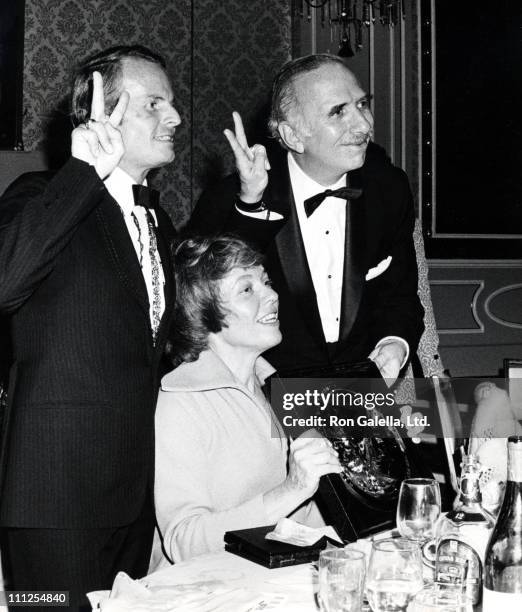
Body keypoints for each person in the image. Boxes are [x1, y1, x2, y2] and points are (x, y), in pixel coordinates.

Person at [0, 45, 180, 610]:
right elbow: (5, 281)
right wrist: (83, 173)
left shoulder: (158, 219)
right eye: (154, 103)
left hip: (131, 498)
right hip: (53, 500)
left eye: (171, 104)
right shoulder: (38, 196)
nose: (174, 117)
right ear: (100, 112)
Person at [189, 54, 424, 385]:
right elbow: (200, 307)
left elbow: (399, 294)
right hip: (265, 393)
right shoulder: (235, 199)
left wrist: (394, 345)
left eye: (362, 104)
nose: (363, 125)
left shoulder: (389, 189)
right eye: (338, 112)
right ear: (292, 135)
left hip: (363, 391)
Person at [153, 235, 342, 564]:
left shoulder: (278, 388)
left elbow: (307, 520)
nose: (272, 295)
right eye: (247, 289)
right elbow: (183, 542)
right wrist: (291, 489)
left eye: (266, 282)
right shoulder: (180, 403)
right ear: (204, 312)